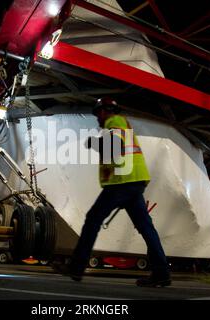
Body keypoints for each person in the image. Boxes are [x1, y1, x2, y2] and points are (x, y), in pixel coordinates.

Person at [52, 97, 171, 287]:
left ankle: (76, 268)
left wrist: (94, 143)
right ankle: (162, 272)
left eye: (97, 113)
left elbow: (115, 148)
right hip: (134, 181)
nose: (97, 119)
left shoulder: (114, 122)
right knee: (146, 228)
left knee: (93, 219)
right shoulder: (122, 124)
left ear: (104, 111)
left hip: (122, 182)